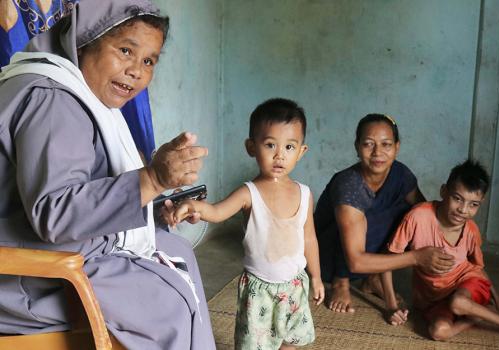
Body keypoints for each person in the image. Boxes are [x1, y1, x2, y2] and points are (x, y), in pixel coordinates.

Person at [0, 1, 216, 349]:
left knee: (177, 251)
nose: (136, 70)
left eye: (148, 61)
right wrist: (152, 180)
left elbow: (83, 188)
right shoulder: (52, 100)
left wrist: (150, 209)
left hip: (62, 252)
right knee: (167, 303)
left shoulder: (79, 93)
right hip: (29, 276)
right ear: (83, 42)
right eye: (126, 50)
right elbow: (56, 214)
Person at [167, 98, 325, 350]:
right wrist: (193, 205)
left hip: (294, 285)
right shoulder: (248, 192)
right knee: (255, 344)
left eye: (289, 147)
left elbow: (309, 238)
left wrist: (316, 277)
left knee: (291, 340)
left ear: (301, 151)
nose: (279, 155)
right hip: (259, 289)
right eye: (270, 144)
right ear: (251, 147)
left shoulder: (304, 193)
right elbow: (217, 211)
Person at [382, 159, 499, 349]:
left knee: (458, 302)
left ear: (480, 204)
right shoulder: (418, 217)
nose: (463, 210)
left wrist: (496, 295)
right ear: (444, 191)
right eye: (457, 198)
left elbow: (476, 267)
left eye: (473, 204)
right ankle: (475, 318)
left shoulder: (471, 230)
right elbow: (387, 261)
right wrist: (391, 305)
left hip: (467, 284)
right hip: (432, 297)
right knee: (439, 331)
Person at [314, 113, 456, 313]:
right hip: (328, 256)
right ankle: (341, 282)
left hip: (367, 254)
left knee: (414, 215)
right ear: (357, 146)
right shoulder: (349, 185)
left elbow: (425, 216)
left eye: (386, 144)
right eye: (368, 144)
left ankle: (374, 278)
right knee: (360, 220)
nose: (377, 153)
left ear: (397, 147)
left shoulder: (400, 174)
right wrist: (417, 257)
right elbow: (356, 261)